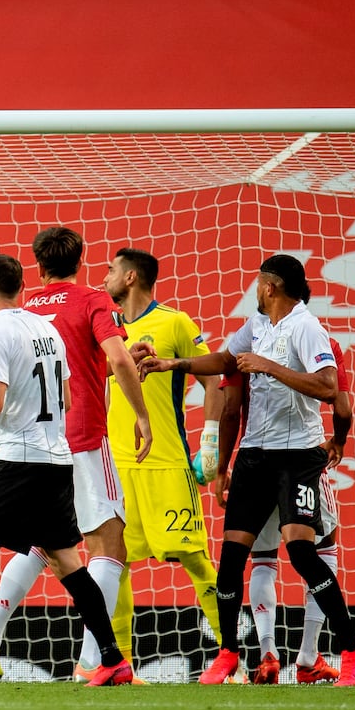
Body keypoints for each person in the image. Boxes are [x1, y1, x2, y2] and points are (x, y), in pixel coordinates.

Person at [139, 254, 355, 687]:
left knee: (302, 553)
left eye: (259, 283)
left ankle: (353, 652)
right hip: (254, 456)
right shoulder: (257, 326)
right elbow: (224, 360)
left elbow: (328, 387)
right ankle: (229, 653)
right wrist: (174, 365)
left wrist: (269, 367)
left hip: (297, 456)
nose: (256, 290)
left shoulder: (306, 328)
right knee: (231, 560)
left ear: (271, 287)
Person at [0, 253, 133, 687]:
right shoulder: (47, 330)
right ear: (23, 287)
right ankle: (112, 658)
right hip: (57, 460)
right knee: (66, 561)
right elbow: (68, 399)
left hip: (18, 462)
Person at [0, 227, 152, 683]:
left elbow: (72, 364)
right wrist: (141, 415)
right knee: (108, 545)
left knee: (43, 543)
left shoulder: (25, 309)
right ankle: (92, 663)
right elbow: (117, 359)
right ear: (81, 260)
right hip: (84, 437)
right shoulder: (94, 300)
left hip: (35, 443)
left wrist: (111, 361)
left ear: (38, 267)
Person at [216, 291, 353, 685]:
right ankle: (308, 656)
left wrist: (221, 466)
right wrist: (338, 440)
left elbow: (230, 409)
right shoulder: (323, 343)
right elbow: (342, 407)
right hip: (299, 461)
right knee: (320, 549)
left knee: (260, 557)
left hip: (255, 463)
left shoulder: (249, 345)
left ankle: (267, 655)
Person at [102, 248, 225, 673]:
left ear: (131, 277)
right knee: (116, 562)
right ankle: (121, 665)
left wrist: (210, 441)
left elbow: (215, 382)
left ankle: (230, 659)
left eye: (111, 270)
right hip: (118, 466)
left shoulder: (175, 322)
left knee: (195, 558)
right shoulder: (106, 328)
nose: (105, 277)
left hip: (167, 462)